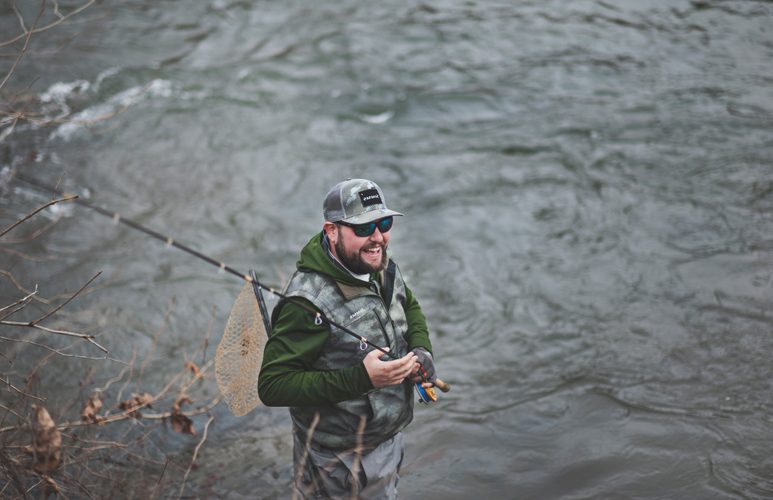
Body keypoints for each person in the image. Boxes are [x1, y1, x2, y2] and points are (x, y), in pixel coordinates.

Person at [258, 178, 437, 499]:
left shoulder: (379, 263)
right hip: (338, 460)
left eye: (384, 223)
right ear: (331, 230)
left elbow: (408, 305)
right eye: (364, 228)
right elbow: (272, 386)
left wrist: (422, 349)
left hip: (386, 437)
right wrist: (362, 378)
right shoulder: (305, 304)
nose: (378, 237)